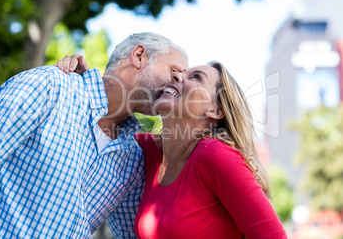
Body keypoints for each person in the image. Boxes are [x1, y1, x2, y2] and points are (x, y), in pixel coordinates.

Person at [0, 32, 188, 238]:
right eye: (174, 71)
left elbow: (135, 234)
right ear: (139, 56)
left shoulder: (133, 159)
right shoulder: (49, 86)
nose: (179, 84)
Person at [58, 59, 287, 238]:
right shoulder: (148, 150)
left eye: (195, 77)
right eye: (179, 72)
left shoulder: (216, 156)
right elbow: (102, 127)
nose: (176, 76)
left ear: (215, 111)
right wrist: (86, 84)